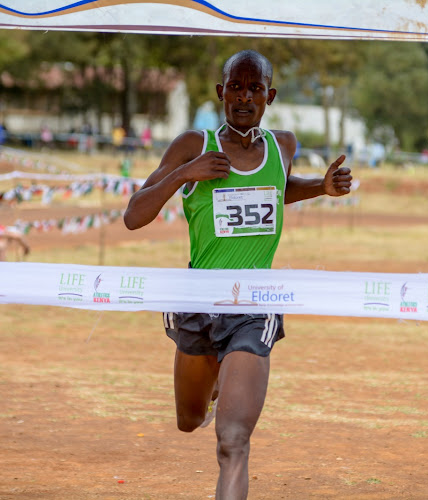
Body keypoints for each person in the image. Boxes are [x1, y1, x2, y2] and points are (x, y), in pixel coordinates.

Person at [123, 49, 353, 499]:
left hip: (253, 307)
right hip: (197, 301)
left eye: (254, 89)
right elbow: (134, 215)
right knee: (188, 421)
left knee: (232, 442)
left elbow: (274, 190)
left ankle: (230, 386)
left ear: (269, 96)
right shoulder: (194, 144)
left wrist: (320, 188)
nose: (243, 97)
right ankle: (214, 387)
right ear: (220, 92)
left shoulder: (282, 146)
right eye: (235, 87)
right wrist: (185, 174)